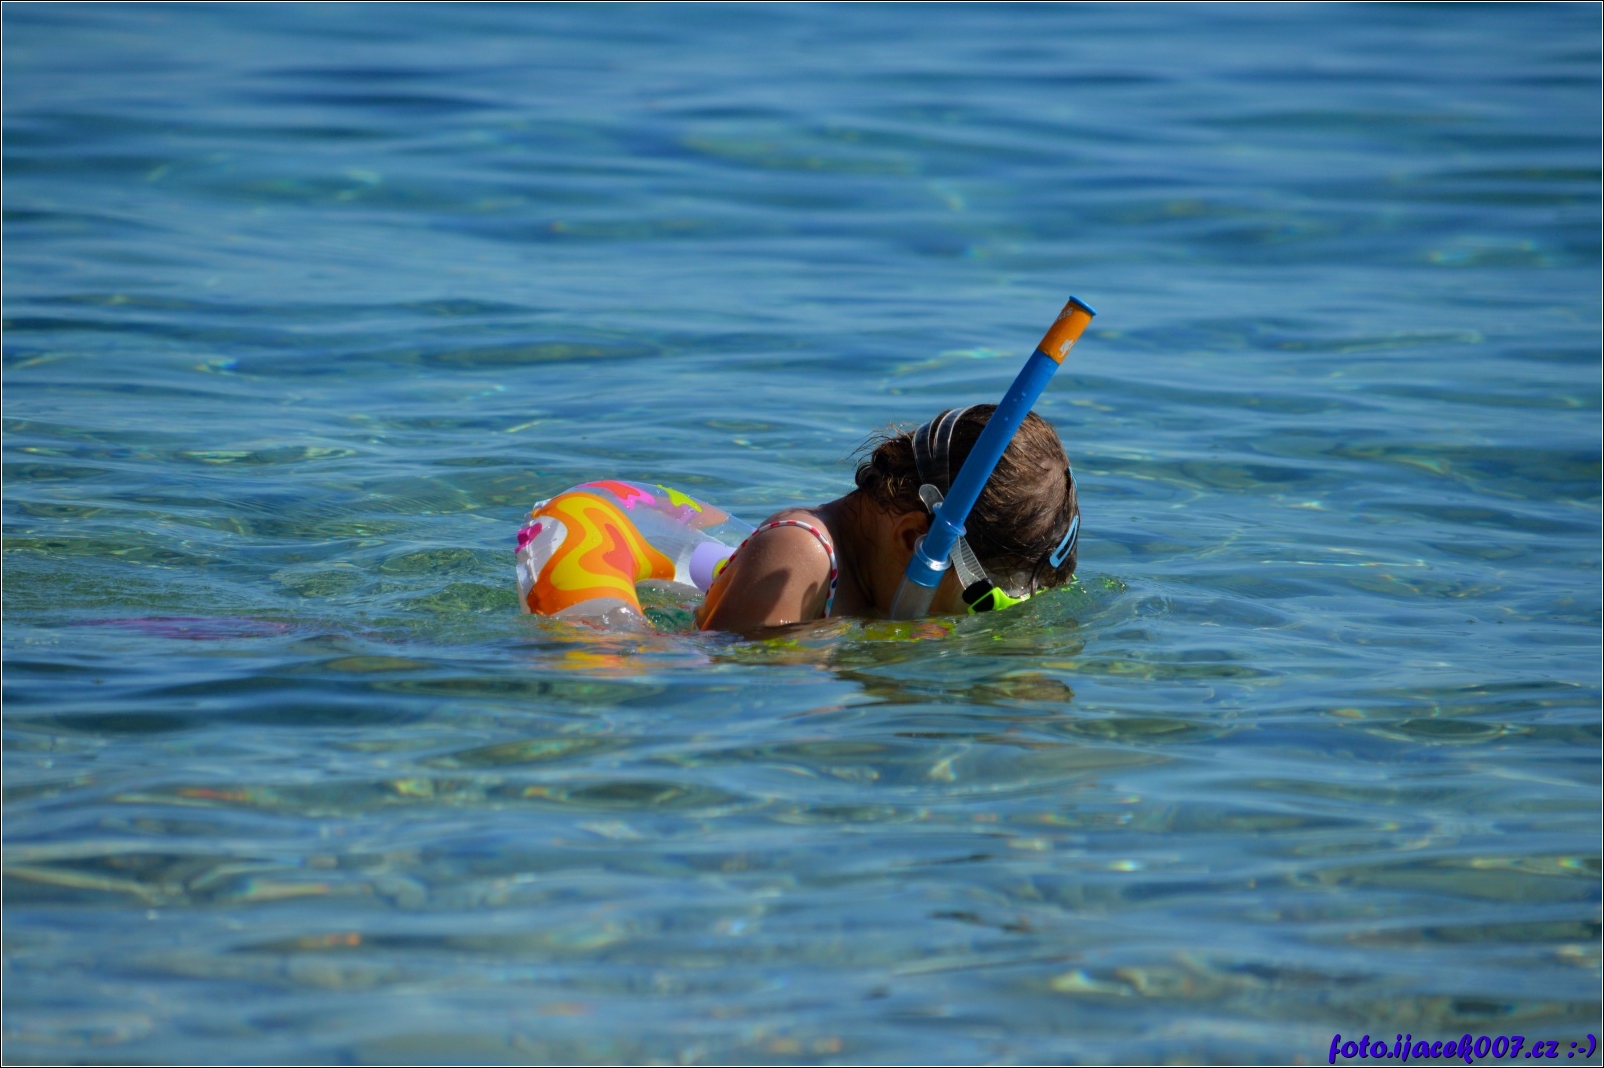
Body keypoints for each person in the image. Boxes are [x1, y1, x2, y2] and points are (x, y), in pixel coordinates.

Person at [695, 405, 1080, 631]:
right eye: (989, 599)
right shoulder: (798, 559)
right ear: (914, 540)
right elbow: (747, 697)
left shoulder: (876, 578)